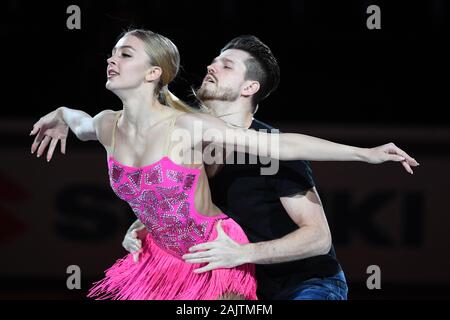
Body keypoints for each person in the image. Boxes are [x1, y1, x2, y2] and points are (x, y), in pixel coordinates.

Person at [30, 30, 418, 300]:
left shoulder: (252, 145)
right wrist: (144, 223)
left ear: (250, 88)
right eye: (214, 60)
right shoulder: (179, 130)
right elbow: (174, 196)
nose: (212, 67)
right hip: (198, 264)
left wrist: (365, 154)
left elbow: (317, 237)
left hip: (300, 283)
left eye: (227, 65)